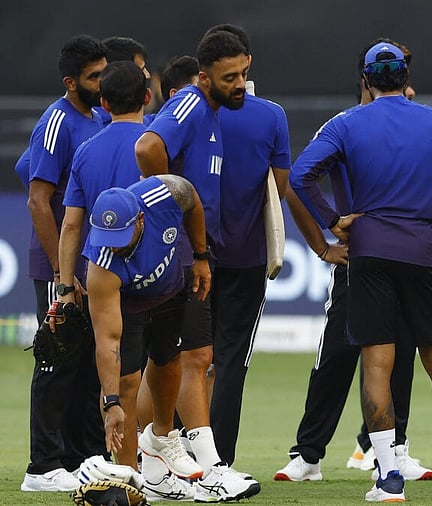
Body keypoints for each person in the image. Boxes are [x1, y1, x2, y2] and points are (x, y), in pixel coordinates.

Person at [292, 41, 432, 503]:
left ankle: (388, 479)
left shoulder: (345, 123)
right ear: (405, 77)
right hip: (421, 252)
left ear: (366, 80)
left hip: (367, 253)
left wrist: (332, 221)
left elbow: (301, 174)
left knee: (376, 364)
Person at [276, 38, 432, 484]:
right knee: (339, 353)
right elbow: (295, 184)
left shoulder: (415, 121)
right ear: (367, 78)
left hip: (403, 254)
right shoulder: (344, 125)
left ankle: (391, 448)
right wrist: (326, 241)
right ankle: (308, 453)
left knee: (401, 351)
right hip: (360, 259)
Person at [134, 30, 259, 502]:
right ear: (205, 76)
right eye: (230, 78)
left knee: (169, 362)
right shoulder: (188, 105)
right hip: (179, 255)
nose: (240, 85)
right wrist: (167, 202)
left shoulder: (212, 111)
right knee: (196, 359)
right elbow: (147, 149)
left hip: (191, 254)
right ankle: (207, 464)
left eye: (244, 74)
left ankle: (149, 453)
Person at [198, 23, 292, 468]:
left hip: (193, 259)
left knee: (184, 357)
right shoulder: (271, 116)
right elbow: (279, 187)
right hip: (246, 257)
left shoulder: (182, 115)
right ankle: (221, 462)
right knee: (231, 361)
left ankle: (177, 457)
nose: (235, 82)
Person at [21, 34, 107, 493]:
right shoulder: (56, 122)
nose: (102, 81)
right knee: (57, 361)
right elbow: (37, 200)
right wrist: (62, 271)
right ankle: (41, 467)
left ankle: (78, 460)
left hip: (90, 264)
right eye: (94, 76)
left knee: (87, 365)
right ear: (70, 82)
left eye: (104, 72)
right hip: (61, 267)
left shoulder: (97, 117)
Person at [57, 60, 150, 473]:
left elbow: (72, 223)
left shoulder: (86, 149)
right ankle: (158, 460)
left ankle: (123, 467)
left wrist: (63, 285)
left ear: (104, 101)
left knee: (112, 366)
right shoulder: (157, 144)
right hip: (156, 271)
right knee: (165, 367)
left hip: (104, 270)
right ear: (148, 96)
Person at [84, 176, 208, 487]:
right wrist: (111, 403)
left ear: (140, 219)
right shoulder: (101, 265)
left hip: (169, 292)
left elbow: (193, 200)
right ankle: (129, 476)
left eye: (121, 235)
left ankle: (161, 439)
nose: (113, 244)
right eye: (107, 236)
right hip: (127, 304)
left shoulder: (165, 195)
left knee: (168, 363)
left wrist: (201, 255)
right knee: (127, 381)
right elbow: (107, 341)